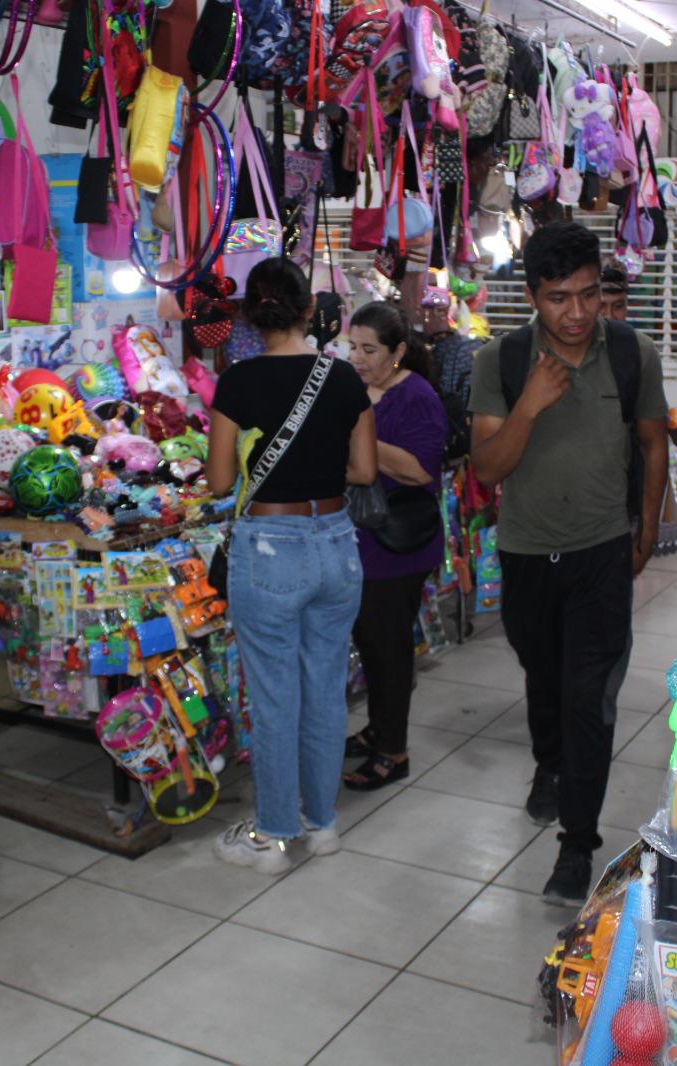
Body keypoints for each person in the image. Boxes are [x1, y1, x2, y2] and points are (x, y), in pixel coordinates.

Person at [469, 222, 669, 905]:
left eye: (588, 294)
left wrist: (644, 529)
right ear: (531, 296)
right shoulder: (501, 361)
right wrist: (528, 406)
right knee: (544, 679)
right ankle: (548, 763)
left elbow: (651, 445)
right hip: (527, 556)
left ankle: (576, 844)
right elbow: (489, 470)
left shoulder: (631, 353)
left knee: (591, 699)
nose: (578, 313)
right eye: (559, 298)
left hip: (601, 555)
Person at [205, 259, 378, 874]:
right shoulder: (344, 380)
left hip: (270, 548)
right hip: (335, 543)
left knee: (276, 696)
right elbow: (363, 471)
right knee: (326, 691)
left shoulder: (238, 382)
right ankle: (322, 824)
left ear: (252, 315)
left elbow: (221, 480)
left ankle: (272, 835)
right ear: (310, 311)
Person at [341, 303, 447, 790]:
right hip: (359, 541)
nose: (358, 358)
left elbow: (421, 470)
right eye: (352, 347)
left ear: (398, 352)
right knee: (370, 641)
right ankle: (378, 729)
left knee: (388, 649)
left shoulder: (416, 397)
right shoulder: (354, 390)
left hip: (397, 543)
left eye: (369, 350)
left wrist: (356, 435)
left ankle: (394, 751)